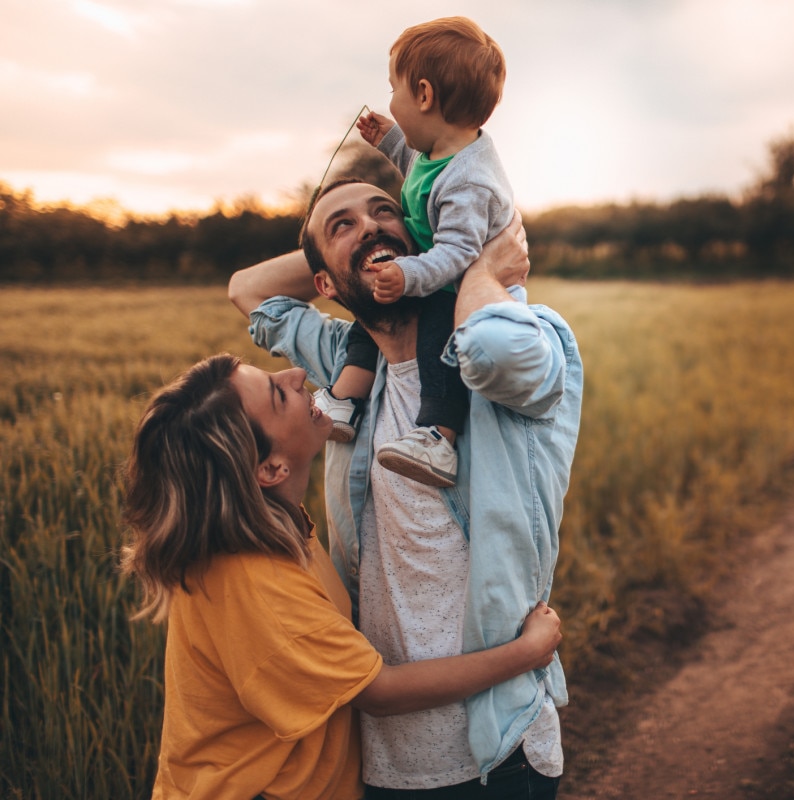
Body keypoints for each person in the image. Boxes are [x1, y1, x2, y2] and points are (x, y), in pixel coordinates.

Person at [227, 178, 583, 797]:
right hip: (382, 760)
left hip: (496, 752)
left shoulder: (525, 337)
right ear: (325, 288)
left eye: (384, 211)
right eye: (344, 223)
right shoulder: (348, 368)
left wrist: (465, 256)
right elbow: (248, 291)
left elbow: (493, 347)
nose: (368, 225)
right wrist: (343, 253)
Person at [119, 353, 563, 799]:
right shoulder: (254, 582)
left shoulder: (273, 529)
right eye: (278, 394)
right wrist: (526, 652)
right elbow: (380, 691)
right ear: (271, 469)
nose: (296, 375)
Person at [319, 16, 515, 493]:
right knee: (372, 316)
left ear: (423, 95)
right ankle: (345, 400)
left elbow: (458, 251)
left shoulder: (470, 179)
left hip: (463, 290)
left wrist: (408, 274)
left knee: (437, 347)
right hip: (432, 271)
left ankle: (438, 437)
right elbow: (417, 170)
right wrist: (389, 138)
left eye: (394, 89)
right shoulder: (439, 153)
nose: (390, 99)